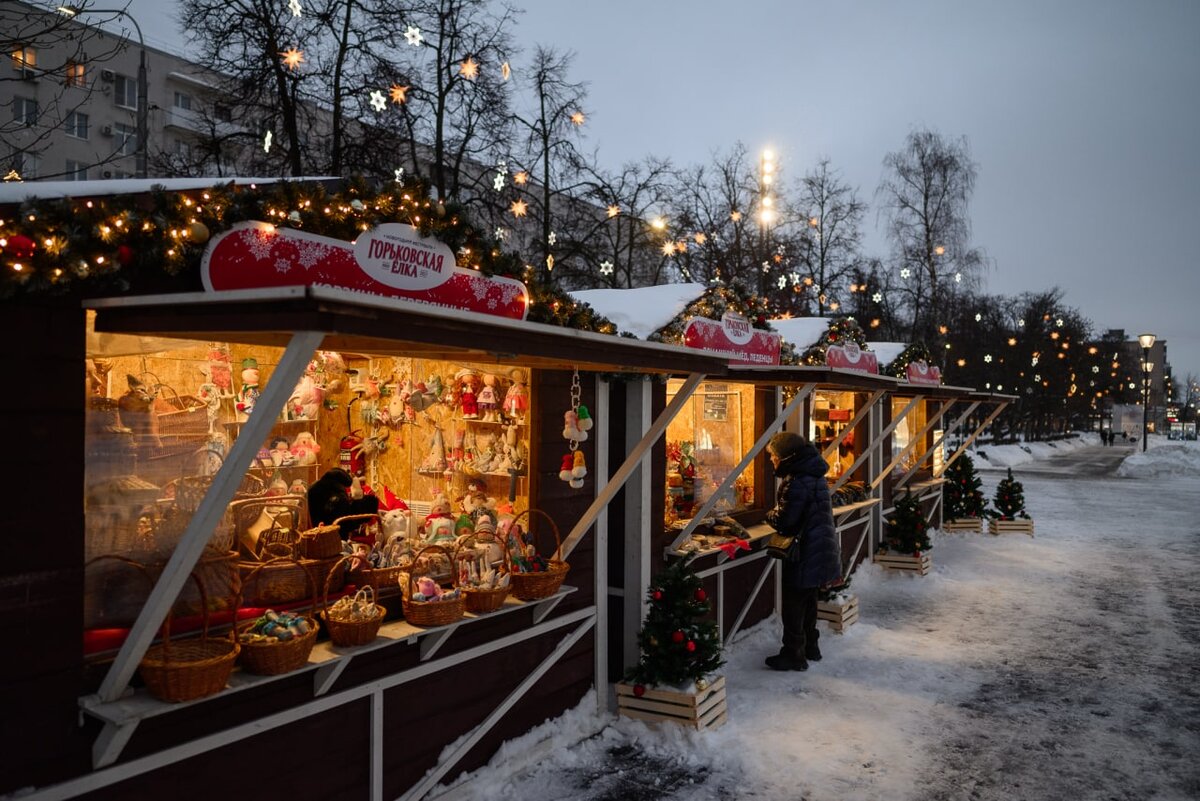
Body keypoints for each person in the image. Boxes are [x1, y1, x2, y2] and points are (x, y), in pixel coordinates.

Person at [763, 432, 842, 672]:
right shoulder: (813, 476)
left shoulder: (797, 481)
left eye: (774, 456)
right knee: (808, 600)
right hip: (819, 547)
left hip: (804, 551)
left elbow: (786, 521)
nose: (772, 461)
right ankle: (811, 646)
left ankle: (793, 654)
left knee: (794, 603)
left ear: (787, 457)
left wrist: (768, 514)